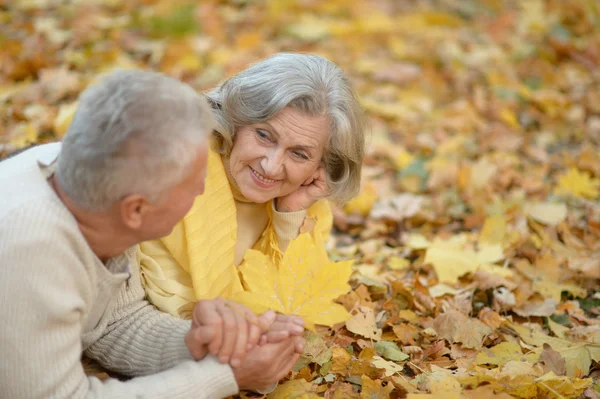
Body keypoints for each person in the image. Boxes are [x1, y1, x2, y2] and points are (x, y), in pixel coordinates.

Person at [0, 69, 305, 399]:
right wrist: (223, 377)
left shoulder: (100, 187)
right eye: (193, 183)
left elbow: (114, 322)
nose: (204, 188)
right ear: (136, 210)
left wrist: (198, 342)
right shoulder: (31, 255)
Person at [138, 53, 366, 318]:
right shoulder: (172, 164)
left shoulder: (309, 207)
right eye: (264, 136)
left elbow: (296, 308)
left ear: (320, 167)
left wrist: (290, 215)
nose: (271, 166)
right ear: (237, 120)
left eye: (299, 154)